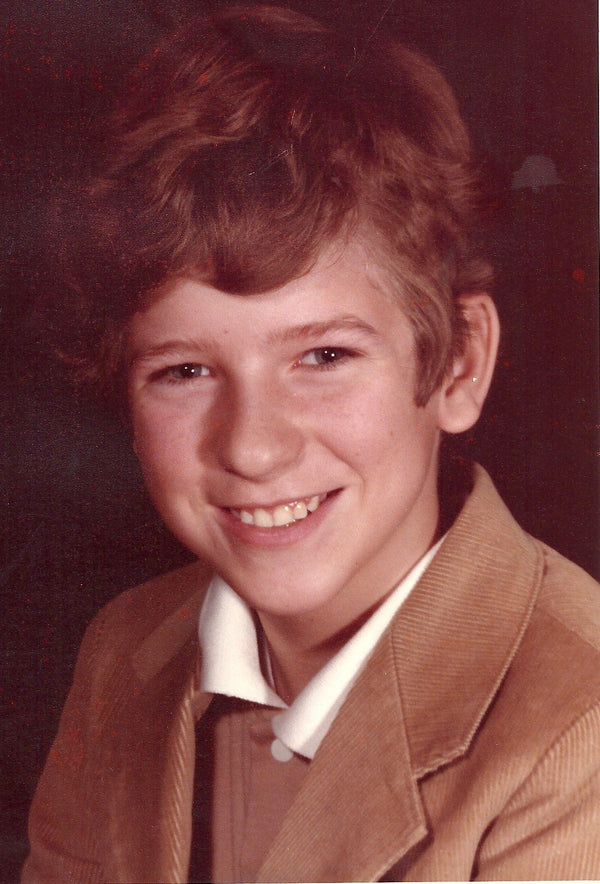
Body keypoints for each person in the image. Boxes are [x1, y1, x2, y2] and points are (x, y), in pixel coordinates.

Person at [23, 5, 600, 882]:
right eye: (184, 371)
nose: (252, 448)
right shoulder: (126, 652)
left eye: (324, 356)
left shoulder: (578, 731)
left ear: (457, 365)